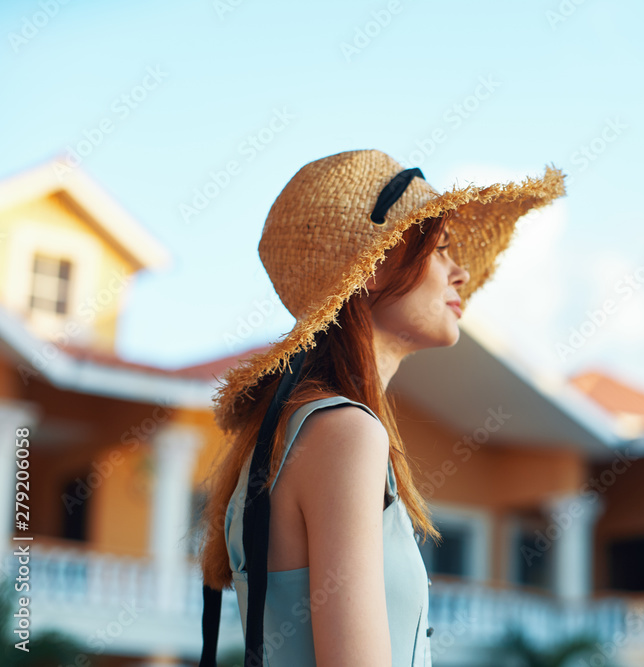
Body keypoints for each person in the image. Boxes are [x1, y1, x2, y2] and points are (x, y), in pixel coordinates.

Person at [195, 149, 565, 666]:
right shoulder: (344, 432)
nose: (459, 272)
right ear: (372, 267)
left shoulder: (296, 430)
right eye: (439, 250)